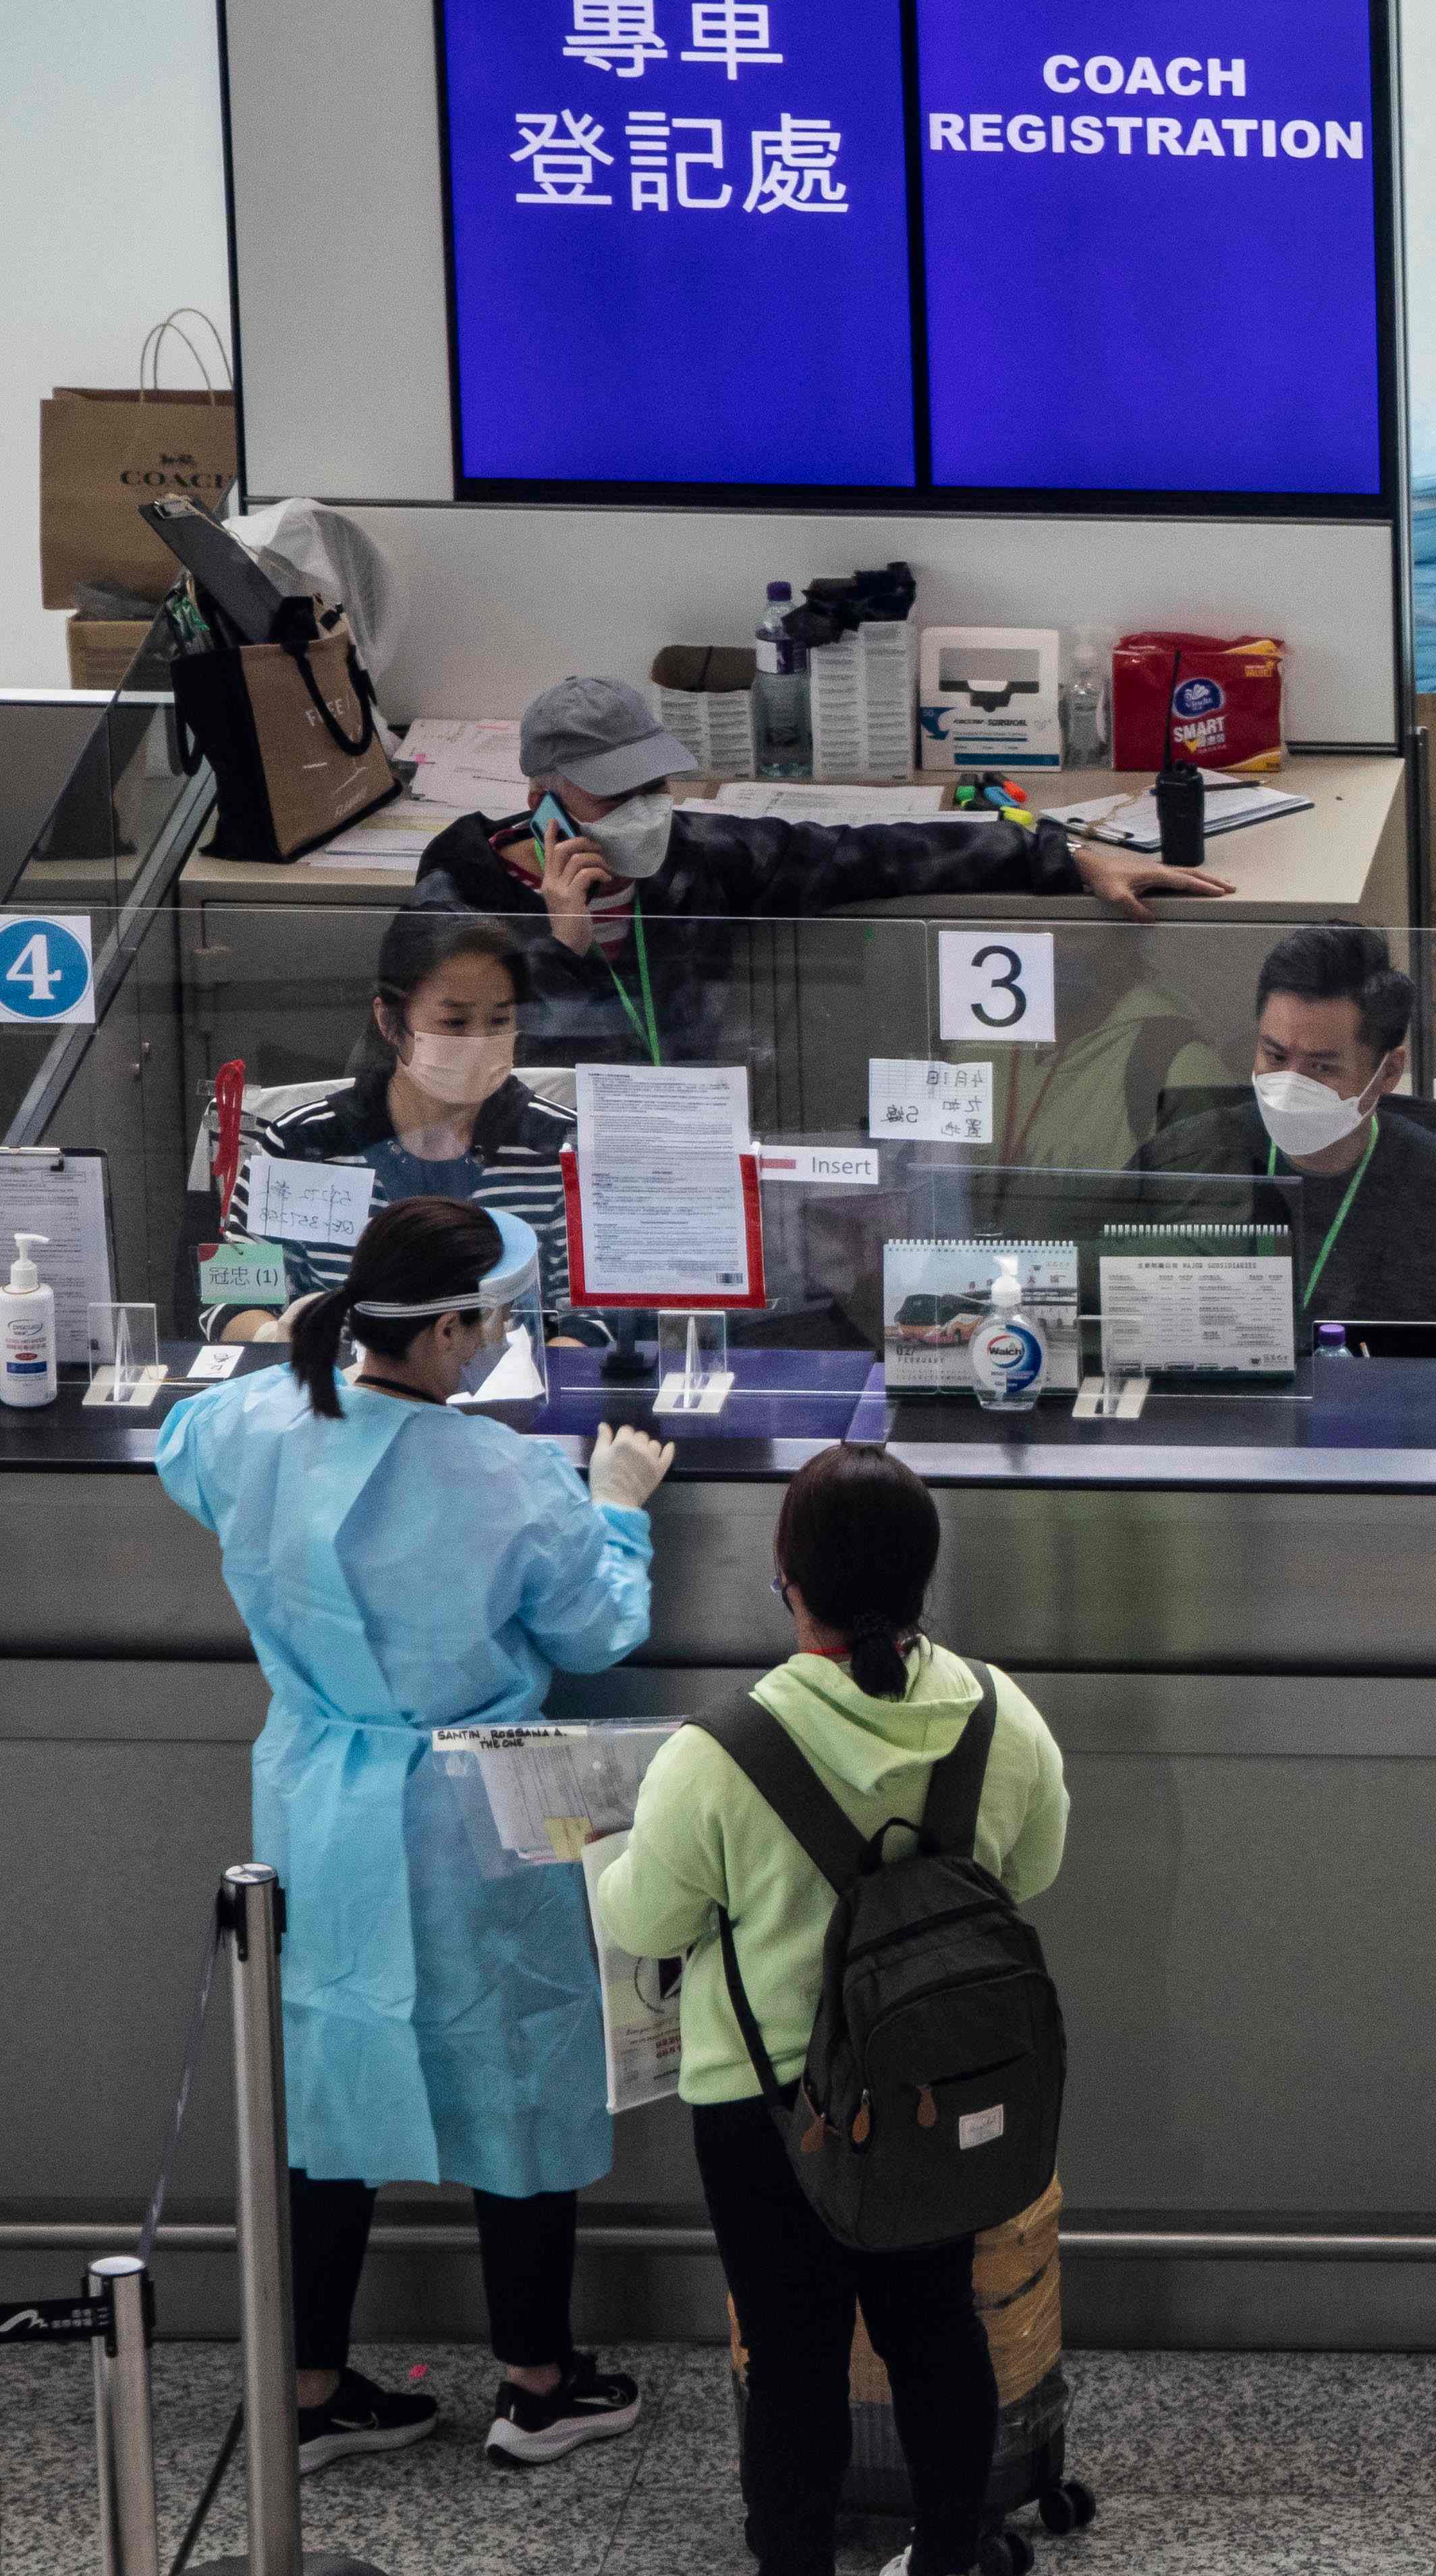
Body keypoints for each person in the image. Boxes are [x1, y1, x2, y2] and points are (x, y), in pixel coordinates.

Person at [153, 1197, 669, 2472]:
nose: (498, 1343)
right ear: (446, 1329)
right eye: (492, 1325)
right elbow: (599, 1630)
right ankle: (540, 2383)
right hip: (477, 1804)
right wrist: (616, 1502)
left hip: (318, 1792)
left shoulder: (254, 1419)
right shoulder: (507, 1475)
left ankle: (313, 2386)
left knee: (321, 2075)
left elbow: (180, 1447)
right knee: (526, 2064)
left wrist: (284, 1350)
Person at [592, 1445, 1074, 2576]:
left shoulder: (723, 1748)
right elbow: (1034, 1864)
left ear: (785, 1581)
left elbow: (644, 1916)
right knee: (935, 2318)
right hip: (937, 2087)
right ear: (922, 1577)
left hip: (767, 2105)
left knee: (794, 2350)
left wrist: (604, 1860)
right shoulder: (996, 1714)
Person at [413, 676, 1229, 1068]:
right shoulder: (462, 888)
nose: (641, 809)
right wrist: (567, 942)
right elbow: (475, 1062)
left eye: (651, 786)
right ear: (539, 798)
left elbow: (857, 852)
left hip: (695, 1139)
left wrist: (1067, 858)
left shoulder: (695, 856)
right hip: (541, 1173)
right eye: (610, 794)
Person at [1128, 920, 1436, 1345]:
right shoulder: (1186, 1157)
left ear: (1389, 1071)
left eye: (1322, 1067)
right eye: (1275, 1055)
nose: (1290, 1085)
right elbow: (1091, 1290)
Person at [227, 908, 583, 1338]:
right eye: (454, 1022)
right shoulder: (302, 1143)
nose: (479, 1043)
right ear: (389, 1022)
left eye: (499, 1021)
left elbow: (597, 1320)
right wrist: (279, 1344)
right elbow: (231, 1298)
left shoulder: (562, 1147)